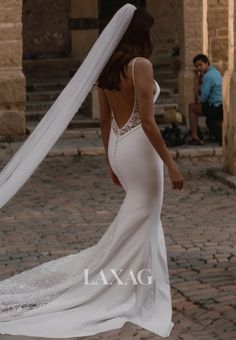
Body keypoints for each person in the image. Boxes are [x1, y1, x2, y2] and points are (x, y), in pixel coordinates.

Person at [0, 5, 183, 338]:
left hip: (119, 146)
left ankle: (145, 283)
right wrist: (171, 163)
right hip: (140, 149)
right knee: (145, 214)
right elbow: (147, 120)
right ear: (139, 33)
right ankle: (128, 287)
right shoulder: (140, 65)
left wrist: (111, 161)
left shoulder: (109, 67)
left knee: (141, 217)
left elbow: (104, 121)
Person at [186, 54, 223, 145]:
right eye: (196, 66)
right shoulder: (216, 72)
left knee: (192, 107)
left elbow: (202, 99)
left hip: (215, 107)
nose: (198, 68)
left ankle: (194, 136)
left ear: (207, 63)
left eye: (200, 65)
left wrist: (196, 79)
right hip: (221, 105)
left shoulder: (208, 76)